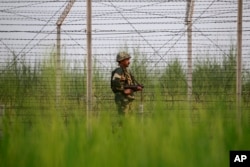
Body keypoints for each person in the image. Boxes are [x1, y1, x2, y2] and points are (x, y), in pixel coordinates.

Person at [111, 51, 143, 116]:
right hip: (122, 98)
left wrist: (136, 88)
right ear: (122, 61)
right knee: (123, 119)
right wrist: (123, 90)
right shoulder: (119, 70)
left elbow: (130, 85)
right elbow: (115, 82)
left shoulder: (126, 71)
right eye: (127, 60)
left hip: (127, 98)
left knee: (129, 119)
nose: (129, 62)